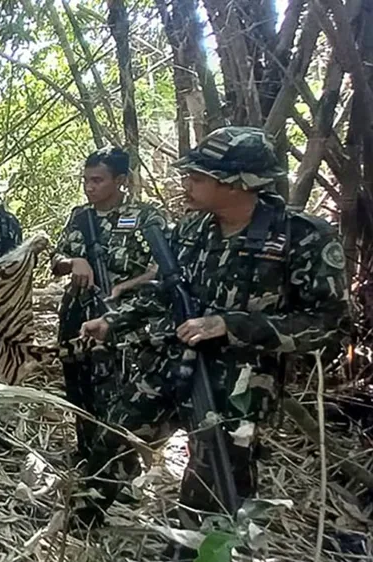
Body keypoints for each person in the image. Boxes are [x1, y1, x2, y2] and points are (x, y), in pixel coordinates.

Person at [78, 127, 350, 545]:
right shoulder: (192, 231)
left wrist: (233, 325)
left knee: (213, 487)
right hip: (171, 361)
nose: (186, 184)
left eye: (198, 178)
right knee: (115, 437)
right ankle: (79, 523)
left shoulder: (302, 236)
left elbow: (327, 322)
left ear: (238, 185)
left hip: (237, 384)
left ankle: (198, 549)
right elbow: (169, 293)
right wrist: (116, 320)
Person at [50, 147, 165, 462]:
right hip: (77, 312)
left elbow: (161, 268)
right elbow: (55, 260)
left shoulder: (145, 216)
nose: (89, 187)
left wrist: (123, 287)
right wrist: (74, 262)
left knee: (115, 392)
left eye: (97, 180)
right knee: (77, 385)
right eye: (86, 180)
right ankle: (85, 454)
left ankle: (117, 469)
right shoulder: (80, 216)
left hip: (123, 318)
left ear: (121, 180)